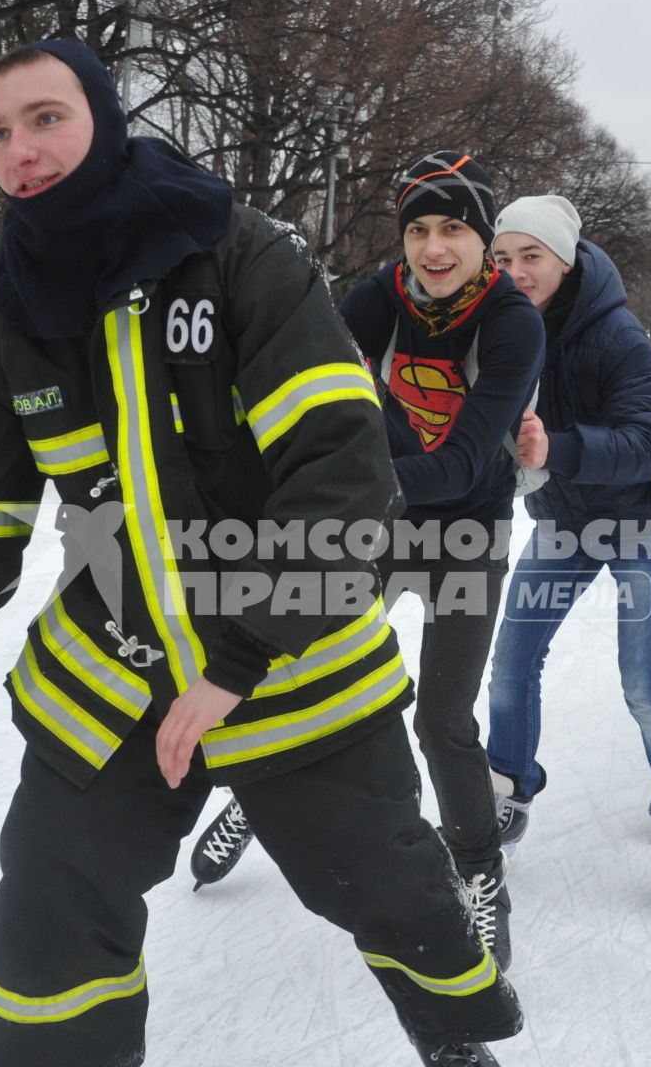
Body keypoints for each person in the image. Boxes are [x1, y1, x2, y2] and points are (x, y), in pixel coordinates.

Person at [0, 42, 524, 1067]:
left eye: (44, 119)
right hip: (121, 662)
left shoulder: (240, 259)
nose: (19, 152)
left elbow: (347, 471)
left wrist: (241, 654)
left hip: (291, 650)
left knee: (386, 877)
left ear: (100, 117)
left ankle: (449, 1031)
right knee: (52, 873)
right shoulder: (6, 328)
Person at [189, 151, 544, 970]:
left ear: (483, 239)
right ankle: (265, 795)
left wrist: (352, 481)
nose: (433, 247)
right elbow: (330, 402)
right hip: (380, 523)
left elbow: (460, 464)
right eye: (418, 228)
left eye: (453, 227)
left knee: (443, 721)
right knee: (293, 653)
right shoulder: (377, 298)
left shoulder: (512, 321)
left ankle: (481, 874)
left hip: (466, 530)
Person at [477, 195, 651, 907]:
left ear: (565, 258)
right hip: (564, 521)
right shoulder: (501, 327)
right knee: (510, 662)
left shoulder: (617, 335)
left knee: (644, 682)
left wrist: (559, 448)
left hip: (638, 523)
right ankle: (507, 789)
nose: (515, 272)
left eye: (530, 257)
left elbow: (648, 443)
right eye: (503, 258)